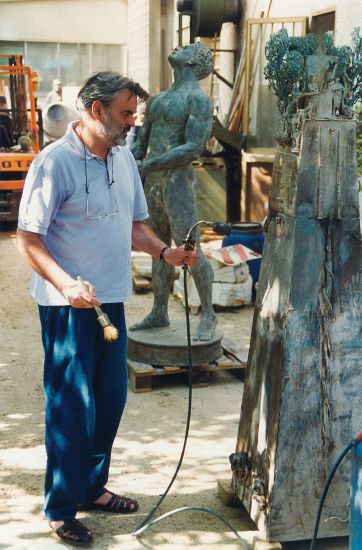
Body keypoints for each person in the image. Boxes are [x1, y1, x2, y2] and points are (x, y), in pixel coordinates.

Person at [16, 71, 197, 547]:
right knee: (71, 407)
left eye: (133, 112)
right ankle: (59, 508)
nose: (132, 122)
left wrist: (165, 253)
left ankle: (90, 488)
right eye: (125, 113)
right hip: (67, 307)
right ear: (95, 110)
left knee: (110, 401)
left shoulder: (123, 160)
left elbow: (134, 224)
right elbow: (28, 238)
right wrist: (66, 284)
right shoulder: (55, 164)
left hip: (111, 301)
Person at [130, 42, 217, 341]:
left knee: (190, 249)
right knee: (159, 249)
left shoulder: (199, 100)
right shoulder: (157, 100)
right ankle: (159, 310)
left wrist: (149, 163)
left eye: (189, 47)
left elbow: (192, 147)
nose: (179, 46)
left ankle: (208, 313)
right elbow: (141, 141)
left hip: (177, 183)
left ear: (195, 62)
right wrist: (130, 161)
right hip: (152, 182)